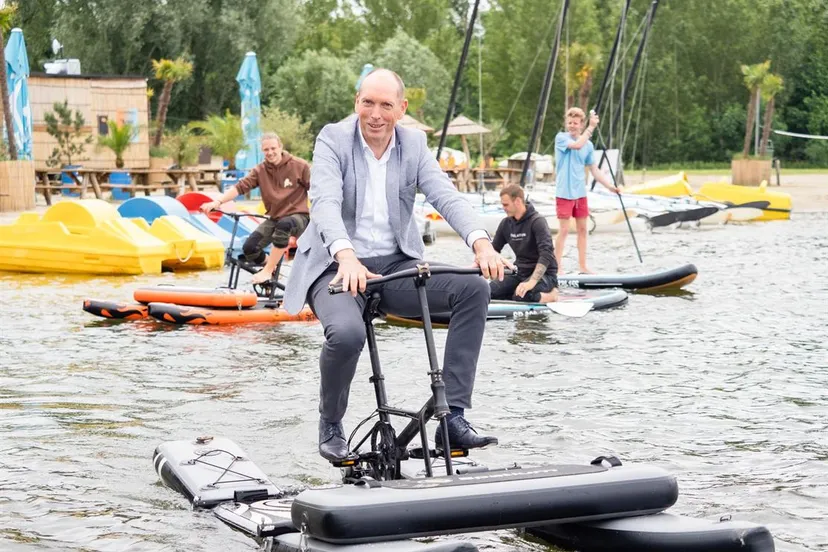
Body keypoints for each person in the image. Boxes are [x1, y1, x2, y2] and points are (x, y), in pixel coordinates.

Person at [282, 68, 512, 462]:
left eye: (386, 105)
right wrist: (346, 255)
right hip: (334, 266)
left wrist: (481, 244)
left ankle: (452, 419)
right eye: (367, 103)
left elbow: (446, 196)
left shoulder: (414, 143)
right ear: (356, 102)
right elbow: (325, 203)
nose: (375, 113)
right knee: (347, 334)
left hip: (393, 266)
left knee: (474, 288)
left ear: (401, 109)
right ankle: (331, 424)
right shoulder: (333, 138)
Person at [201, 133, 310, 284]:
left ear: (280, 147)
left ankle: (267, 271)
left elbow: (318, 189)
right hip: (276, 218)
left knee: (284, 225)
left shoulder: (300, 165)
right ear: (262, 151)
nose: (270, 152)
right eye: (266, 150)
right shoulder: (260, 170)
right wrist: (217, 202)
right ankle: (274, 268)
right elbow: (239, 188)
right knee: (250, 248)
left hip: (300, 218)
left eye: (273, 148)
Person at [554, 107, 620, 275]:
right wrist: (592, 127)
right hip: (564, 193)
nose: (572, 126)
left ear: (581, 124)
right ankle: (556, 267)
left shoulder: (589, 145)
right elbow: (576, 145)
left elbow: (594, 170)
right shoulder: (561, 138)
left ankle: (583, 267)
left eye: (575, 123)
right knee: (564, 230)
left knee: (583, 230)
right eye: (569, 123)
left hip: (580, 194)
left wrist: (610, 186)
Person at [490, 185, 559, 303]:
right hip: (520, 272)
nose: (503, 208)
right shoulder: (506, 224)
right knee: (489, 291)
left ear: (517, 201)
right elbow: (493, 250)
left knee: (522, 296)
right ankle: (513, 294)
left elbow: (546, 254)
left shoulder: (538, 221)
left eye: (505, 205)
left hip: (545, 275)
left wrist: (531, 282)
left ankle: (552, 295)